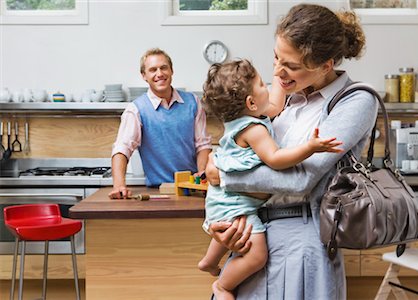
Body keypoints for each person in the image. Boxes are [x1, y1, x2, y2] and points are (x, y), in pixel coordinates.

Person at [205, 4, 378, 299]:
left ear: (325, 65)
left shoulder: (356, 101)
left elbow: (300, 180)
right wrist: (223, 223)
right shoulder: (281, 99)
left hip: (303, 241)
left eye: (291, 66)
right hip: (253, 233)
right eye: (276, 58)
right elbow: (239, 146)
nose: (277, 72)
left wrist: (224, 174)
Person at [198, 59, 343, 300]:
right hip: (236, 204)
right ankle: (223, 286)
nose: (269, 84)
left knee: (232, 230)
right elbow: (276, 159)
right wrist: (310, 147)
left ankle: (209, 260)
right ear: (251, 102)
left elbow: (274, 103)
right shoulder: (254, 129)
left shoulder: (243, 120)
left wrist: (280, 67)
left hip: (224, 200)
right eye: (261, 84)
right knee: (256, 256)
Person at [109, 48, 212, 199]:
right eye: (152, 70)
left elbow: (202, 145)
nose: (159, 74)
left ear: (171, 70)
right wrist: (119, 186)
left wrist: (201, 173)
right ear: (144, 76)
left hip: (192, 190)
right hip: (158, 192)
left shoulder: (193, 102)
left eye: (163, 67)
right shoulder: (136, 110)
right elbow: (122, 149)